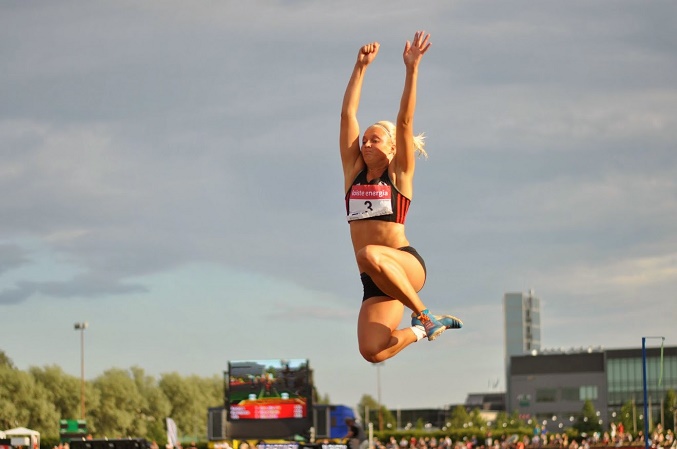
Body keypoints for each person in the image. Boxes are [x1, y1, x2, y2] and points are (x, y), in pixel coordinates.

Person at [340, 30, 463, 363]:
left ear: (392, 148)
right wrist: (360, 67)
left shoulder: (399, 175)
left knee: (368, 253)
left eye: (375, 140)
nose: (366, 144)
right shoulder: (353, 174)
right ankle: (422, 330)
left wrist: (412, 69)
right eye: (364, 140)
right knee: (372, 351)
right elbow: (347, 116)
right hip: (375, 279)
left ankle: (424, 314)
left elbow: (405, 121)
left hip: (403, 264)